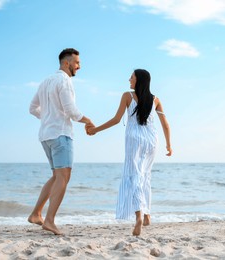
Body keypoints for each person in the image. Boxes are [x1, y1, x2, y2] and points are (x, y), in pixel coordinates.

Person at [87, 69, 172, 236]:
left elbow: (116, 119)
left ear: (138, 80)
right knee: (145, 175)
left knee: (134, 176)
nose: (129, 79)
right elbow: (165, 124)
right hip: (151, 140)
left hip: (134, 139)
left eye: (131, 77)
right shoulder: (155, 100)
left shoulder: (127, 95)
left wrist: (96, 130)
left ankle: (139, 216)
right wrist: (169, 145)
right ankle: (147, 215)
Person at [28, 48, 94, 235]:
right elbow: (71, 111)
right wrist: (88, 121)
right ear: (67, 63)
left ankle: (36, 214)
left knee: (57, 177)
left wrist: (48, 117)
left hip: (46, 136)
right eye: (77, 63)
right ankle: (49, 221)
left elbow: (32, 108)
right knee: (63, 178)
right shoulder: (64, 81)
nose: (79, 67)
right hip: (60, 134)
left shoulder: (45, 81)